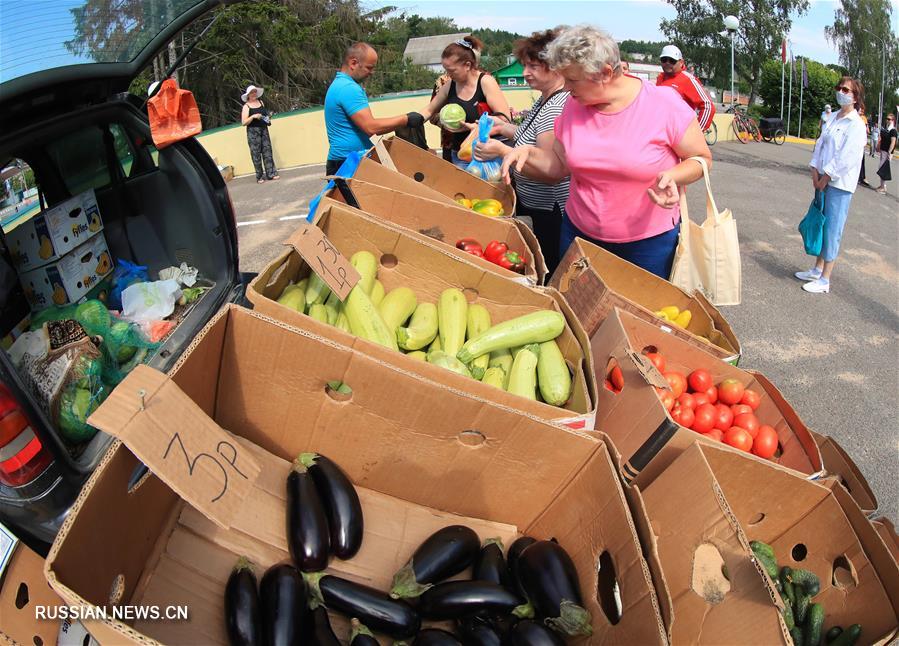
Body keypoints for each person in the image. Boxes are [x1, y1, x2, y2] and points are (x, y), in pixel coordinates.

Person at [481, 25, 712, 278]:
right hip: (579, 236)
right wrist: (527, 153)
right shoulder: (572, 105)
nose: (566, 88)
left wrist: (674, 176)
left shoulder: (663, 104)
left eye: (572, 79)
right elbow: (559, 166)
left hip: (648, 244)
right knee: (578, 311)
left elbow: (701, 159)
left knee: (638, 315)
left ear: (605, 73)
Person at [468, 29, 571, 275]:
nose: (525, 73)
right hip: (536, 205)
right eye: (525, 65)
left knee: (549, 266)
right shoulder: (545, 98)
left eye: (533, 66)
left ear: (555, 67)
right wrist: (504, 126)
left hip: (549, 210)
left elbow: (550, 169)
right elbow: (530, 138)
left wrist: (504, 151)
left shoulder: (556, 106)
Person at [797, 76, 868, 294]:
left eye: (846, 90)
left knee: (832, 229)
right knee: (820, 223)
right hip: (822, 180)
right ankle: (817, 269)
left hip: (839, 184)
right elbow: (820, 145)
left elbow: (846, 157)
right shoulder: (833, 118)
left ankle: (825, 278)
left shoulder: (856, 125)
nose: (841, 92)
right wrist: (814, 171)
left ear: (855, 97)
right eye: (839, 88)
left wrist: (826, 176)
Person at [324, 42, 423, 176]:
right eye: (369, 67)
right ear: (353, 63)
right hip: (347, 163)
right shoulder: (348, 88)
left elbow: (370, 129)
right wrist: (406, 119)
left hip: (346, 160)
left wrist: (404, 120)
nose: (372, 72)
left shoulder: (340, 85)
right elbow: (371, 127)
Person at [419, 36, 511, 168]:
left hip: (486, 156)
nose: (448, 74)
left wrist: (477, 128)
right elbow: (429, 110)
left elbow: (505, 119)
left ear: (467, 65)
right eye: (446, 70)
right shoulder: (450, 84)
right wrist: (409, 120)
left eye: (451, 70)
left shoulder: (485, 82)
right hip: (460, 154)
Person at [656, 44, 716, 133]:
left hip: (678, 135)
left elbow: (708, 106)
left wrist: (696, 132)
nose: (667, 63)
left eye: (672, 60)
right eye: (664, 60)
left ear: (681, 62)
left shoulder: (688, 79)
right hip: (660, 133)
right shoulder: (660, 78)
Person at [240, 85, 279, 184]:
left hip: (264, 129)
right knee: (256, 154)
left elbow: (265, 115)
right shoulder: (246, 106)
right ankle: (259, 176)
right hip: (253, 132)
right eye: (252, 92)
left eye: (255, 92)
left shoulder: (261, 102)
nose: (254, 94)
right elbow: (243, 122)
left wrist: (267, 119)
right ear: (248, 95)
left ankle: (271, 174)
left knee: (267, 152)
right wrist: (253, 116)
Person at [875, 113, 896, 195]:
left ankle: (883, 187)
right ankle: (881, 186)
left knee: (882, 168)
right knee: (881, 168)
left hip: (887, 152)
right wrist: (878, 146)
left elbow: (893, 142)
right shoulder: (886, 129)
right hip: (883, 151)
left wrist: (889, 152)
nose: (887, 120)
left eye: (889, 119)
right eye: (887, 119)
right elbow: (882, 139)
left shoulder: (893, 130)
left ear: (893, 120)